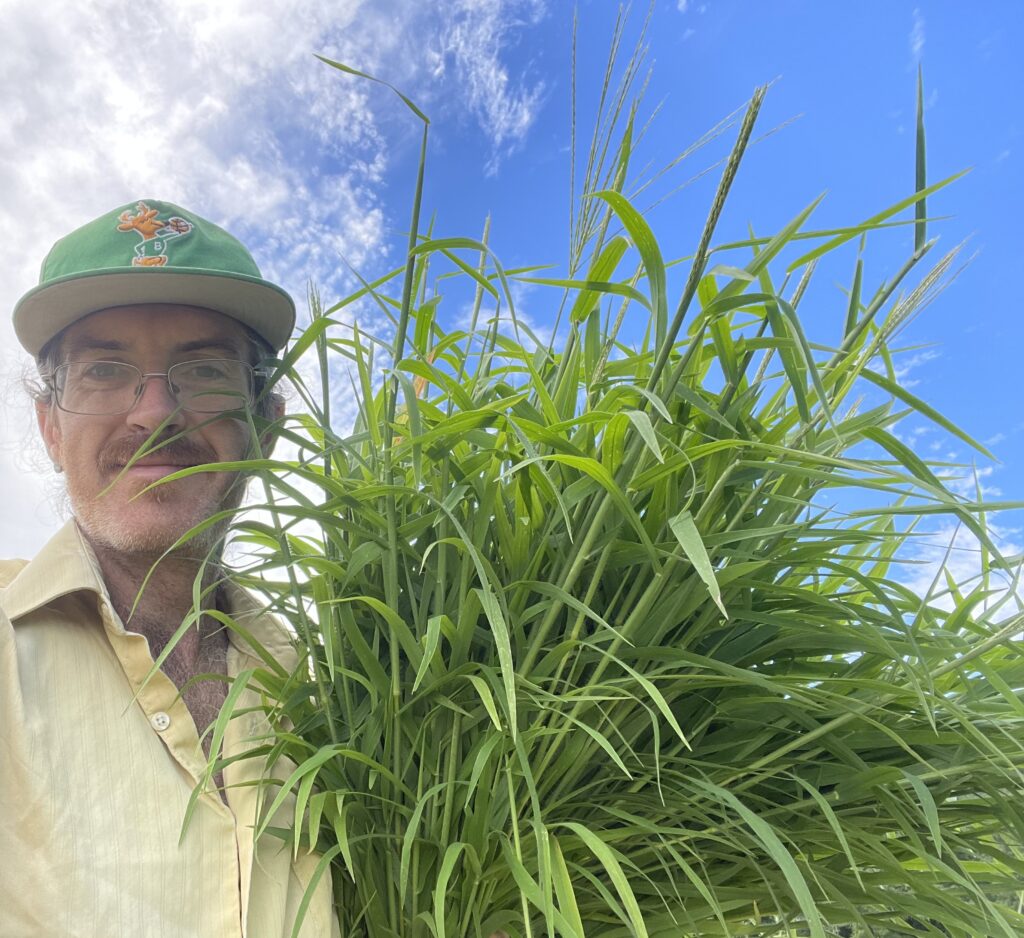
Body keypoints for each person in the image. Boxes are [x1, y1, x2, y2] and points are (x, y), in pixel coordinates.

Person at [0, 200, 340, 937]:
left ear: (267, 422)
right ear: (51, 427)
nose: (153, 412)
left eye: (204, 369)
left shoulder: (330, 693)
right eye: (104, 370)